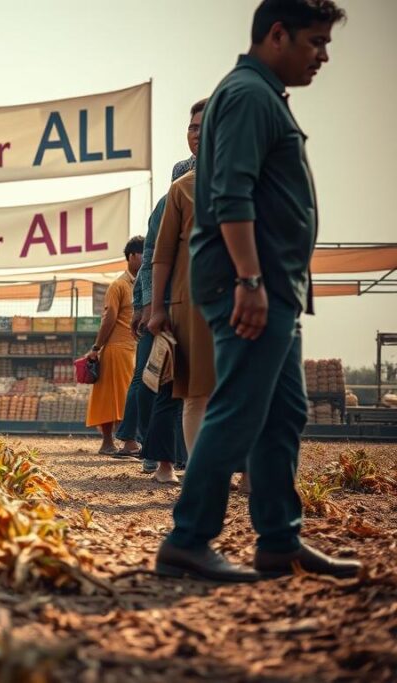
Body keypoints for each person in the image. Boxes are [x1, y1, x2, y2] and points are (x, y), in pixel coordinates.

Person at [156, 0, 359, 582]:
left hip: (275, 287)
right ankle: (188, 539)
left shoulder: (260, 94)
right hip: (253, 285)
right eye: (315, 42)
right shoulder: (247, 95)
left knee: (281, 413)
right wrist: (248, 278)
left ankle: (278, 541)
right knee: (239, 407)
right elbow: (232, 196)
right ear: (278, 34)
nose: (322, 56)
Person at [115, 158, 195, 465]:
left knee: (186, 388)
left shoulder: (225, 195)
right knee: (157, 382)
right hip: (167, 306)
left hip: (194, 305)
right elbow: (153, 258)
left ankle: (180, 456)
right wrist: (147, 306)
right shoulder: (166, 206)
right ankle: (156, 453)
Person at [86, 237, 143, 454]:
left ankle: (110, 442)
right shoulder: (119, 285)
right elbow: (109, 318)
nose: (148, 258)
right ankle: (121, 442)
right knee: (119, 397)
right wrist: (97, 347)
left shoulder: (143, 284)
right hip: (118, 348)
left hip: (133, 348)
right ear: (131, 256)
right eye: (143, 254)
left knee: (116, 396)